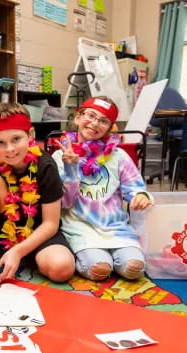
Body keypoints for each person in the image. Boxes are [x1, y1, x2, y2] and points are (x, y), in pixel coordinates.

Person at [0, 103, 75, 284]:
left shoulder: (46, 165)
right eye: (0, 143)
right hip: (5, 234)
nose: (10, 149)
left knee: (62, 268)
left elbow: (50, 224)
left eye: (16, 139)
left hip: (39, 234)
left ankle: (22, 256)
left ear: (31, 135)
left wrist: (18, 251)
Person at [52, 96, 154, 281]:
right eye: (90, 115)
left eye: (103, 121)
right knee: (99, 269)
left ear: (110, 128)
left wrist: (140, 195)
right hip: (80, 229)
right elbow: (65, 203)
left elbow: (135, 186)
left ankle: (114, 257)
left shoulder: (118, 155)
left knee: (134, 268)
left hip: (117, 229)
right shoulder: (60, 156)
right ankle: (91, 257)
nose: (94, 123)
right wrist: (71, 167)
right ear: (77, 117)